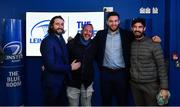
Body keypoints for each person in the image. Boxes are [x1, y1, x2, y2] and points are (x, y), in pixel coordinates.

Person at [94, 12, 161, 106]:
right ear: (107, 22)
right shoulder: (100, 34)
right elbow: (92, 47)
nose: (114, 23)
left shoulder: (126, 34)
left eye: (116, 21)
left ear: (119, 21)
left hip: (121, 74)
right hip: (106, 74)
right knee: (106, 101)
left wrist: (153, 38)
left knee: (122, 101)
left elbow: (139, 36)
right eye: (111, 21)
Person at [40, 15, 81, 106]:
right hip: (52, 84)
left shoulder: (60, 39)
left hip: (62, 82)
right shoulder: (48, 41)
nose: (60, 26)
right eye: (57, 24)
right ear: (51, 26)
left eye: (62, 24)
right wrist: (70, 67)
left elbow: (62, 57)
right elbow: (50, 65)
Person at [130, 18, 169, 106]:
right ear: (132, 28)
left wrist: (164, 87)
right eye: (135, 27)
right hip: (135, 85)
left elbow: (161, 66)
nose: (137, 29)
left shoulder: (154, 43)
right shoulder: (131, 43)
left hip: (151, 85)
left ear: (144, 28)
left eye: (140, 27)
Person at [66, 24, 97, 106]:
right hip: (72, 82)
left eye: (90, 31)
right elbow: (62, 57)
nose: (87, 33)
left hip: (87, 83)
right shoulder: (71, 43)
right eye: (86, 30)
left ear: (92, 34)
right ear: (82, 31)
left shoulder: (94, 45)